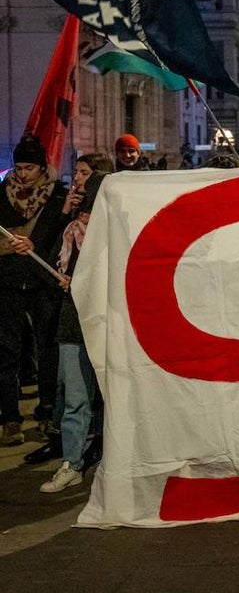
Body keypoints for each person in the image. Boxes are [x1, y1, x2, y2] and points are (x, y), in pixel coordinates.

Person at [24, 152, 114, 465]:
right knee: (69, 387)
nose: (76, 178)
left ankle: (98, 445)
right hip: (66, 310)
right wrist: (62, 213)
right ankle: (68, 453)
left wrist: (81, 280)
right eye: (76, 171)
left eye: (84, 172)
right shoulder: (68, 212)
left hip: (98, 311)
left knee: (100, 387)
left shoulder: (109, 215)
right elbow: (47, 252)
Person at [40, 171, 107, 492]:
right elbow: (52, 259)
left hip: (108, 321)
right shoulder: (71, 230)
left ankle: (110, 457)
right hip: (74, 323)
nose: (77, 193)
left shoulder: (112, 231)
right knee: (76, 399)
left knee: (112, 396)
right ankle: (72, 463)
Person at [0, 136, 69, 445]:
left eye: (29, 167)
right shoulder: (2, 194)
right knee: (6, 351)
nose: (23, 174)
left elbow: (62, 238)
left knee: (47, 350)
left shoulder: (58, 198)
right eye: (18, 167)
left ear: (42, 167)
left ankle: (46, 412)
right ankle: (10, 419)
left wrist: (36, 244)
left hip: (44, 281)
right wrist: (9, 243)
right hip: (8, 279)